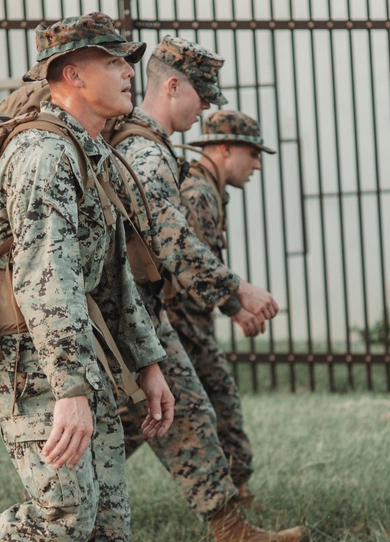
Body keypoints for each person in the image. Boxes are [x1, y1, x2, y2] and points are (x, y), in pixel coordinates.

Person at [0, 12, 175, 542]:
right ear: (73, 76)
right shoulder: (43, 155)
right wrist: (70, 388)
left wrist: (147, 363)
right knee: (60, 520)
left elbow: (110, 276)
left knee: (108, 523)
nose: (130, 71)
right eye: (113, 61)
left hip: (82, 353)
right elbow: (46, 278)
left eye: (128, 60)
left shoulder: (89, 150)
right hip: (32, 359)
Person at [111, 36, 307, 541]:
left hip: (135, 317)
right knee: (177, 415)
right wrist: (236, 292)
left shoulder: (145, 147)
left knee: (174, 417)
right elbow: (174, 243)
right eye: (203, 95)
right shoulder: (146, 151)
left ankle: (230, 526)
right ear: (173, 86)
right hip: (132, 319)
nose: (207, 108)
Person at [166, 109, 276, 504]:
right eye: (253, 153)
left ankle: (236, 490)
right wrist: (238, 307)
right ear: (226, 148)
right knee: (207, 407)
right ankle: (232, 497)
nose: (258, 164)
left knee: (213, 404)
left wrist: (234, 309)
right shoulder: (198, 195)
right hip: (180, 329)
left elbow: (205, 265)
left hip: (189, 328)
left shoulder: (210, 191)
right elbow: (191, 270)